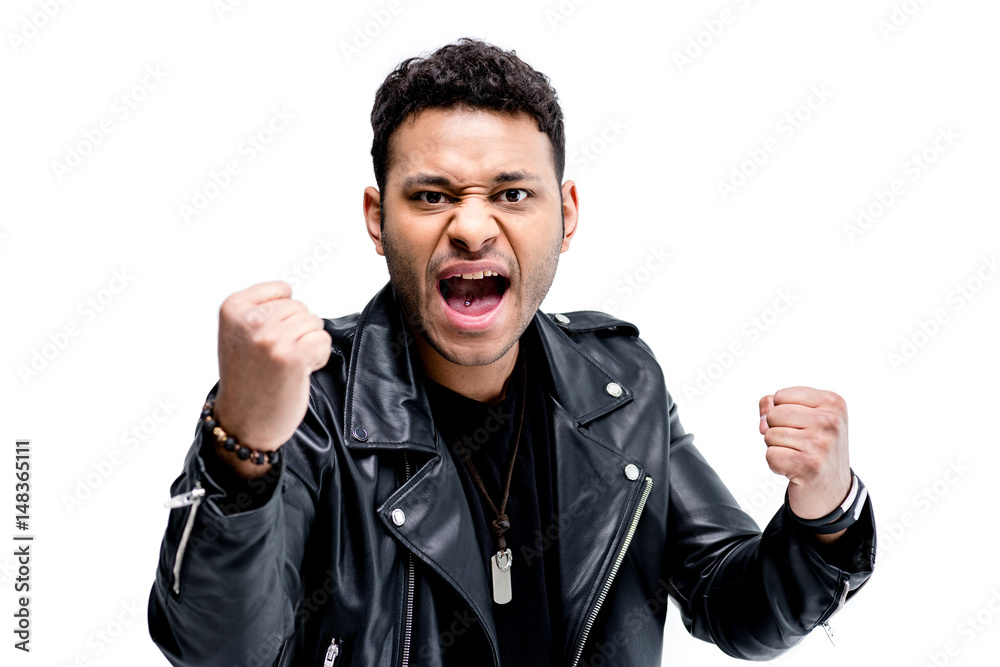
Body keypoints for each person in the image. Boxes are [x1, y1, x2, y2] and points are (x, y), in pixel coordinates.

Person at [148, 37, 875, 666]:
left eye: (513, 194)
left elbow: (734, 601)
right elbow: (223, 650)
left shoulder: (619, 385)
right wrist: (240, 444)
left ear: (567, 216)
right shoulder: (313, 403)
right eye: (431, 196)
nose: (471, 227)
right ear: (377, 219)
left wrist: (827, 511)